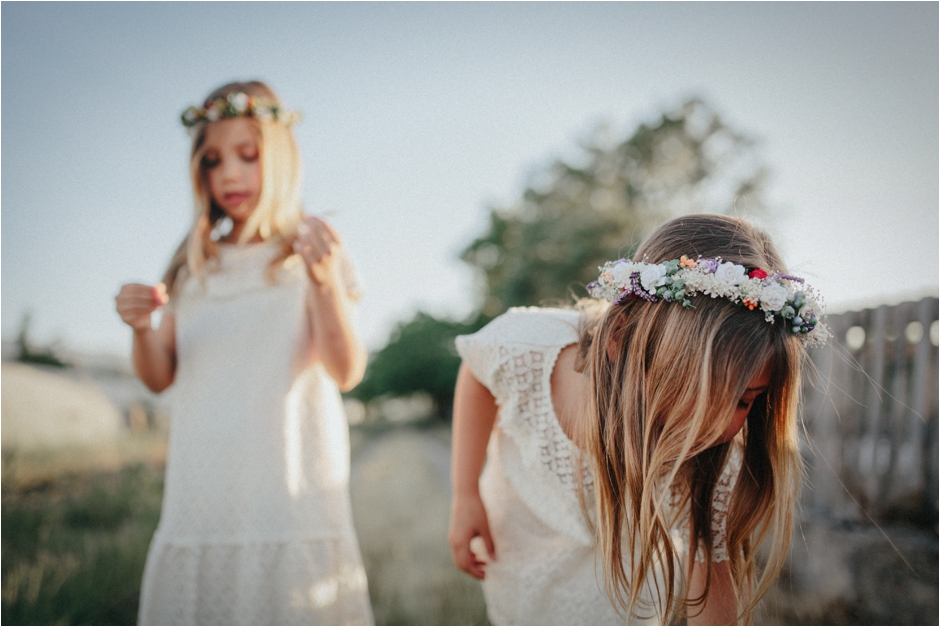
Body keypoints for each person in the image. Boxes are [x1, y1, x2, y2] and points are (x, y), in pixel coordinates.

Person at [448, 214, 828, 625]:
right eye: (695, 393)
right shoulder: (529, 347)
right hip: (520, 557)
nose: (716, 426)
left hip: (622, 599)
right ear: (620, 341)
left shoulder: (715, 461)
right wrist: (465, 491)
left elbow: (713, 573)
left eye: (742, 401)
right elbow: (476, 369)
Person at [115, 81, 374, 625]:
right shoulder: (192, 266)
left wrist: (324, 283)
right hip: (203, 495)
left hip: (289, 493)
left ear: (280, 159)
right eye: (212, 161)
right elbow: (159, 376)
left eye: (248, 156)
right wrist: (141, 328)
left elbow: (346, 370)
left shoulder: (311, 247)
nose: (229, 174)